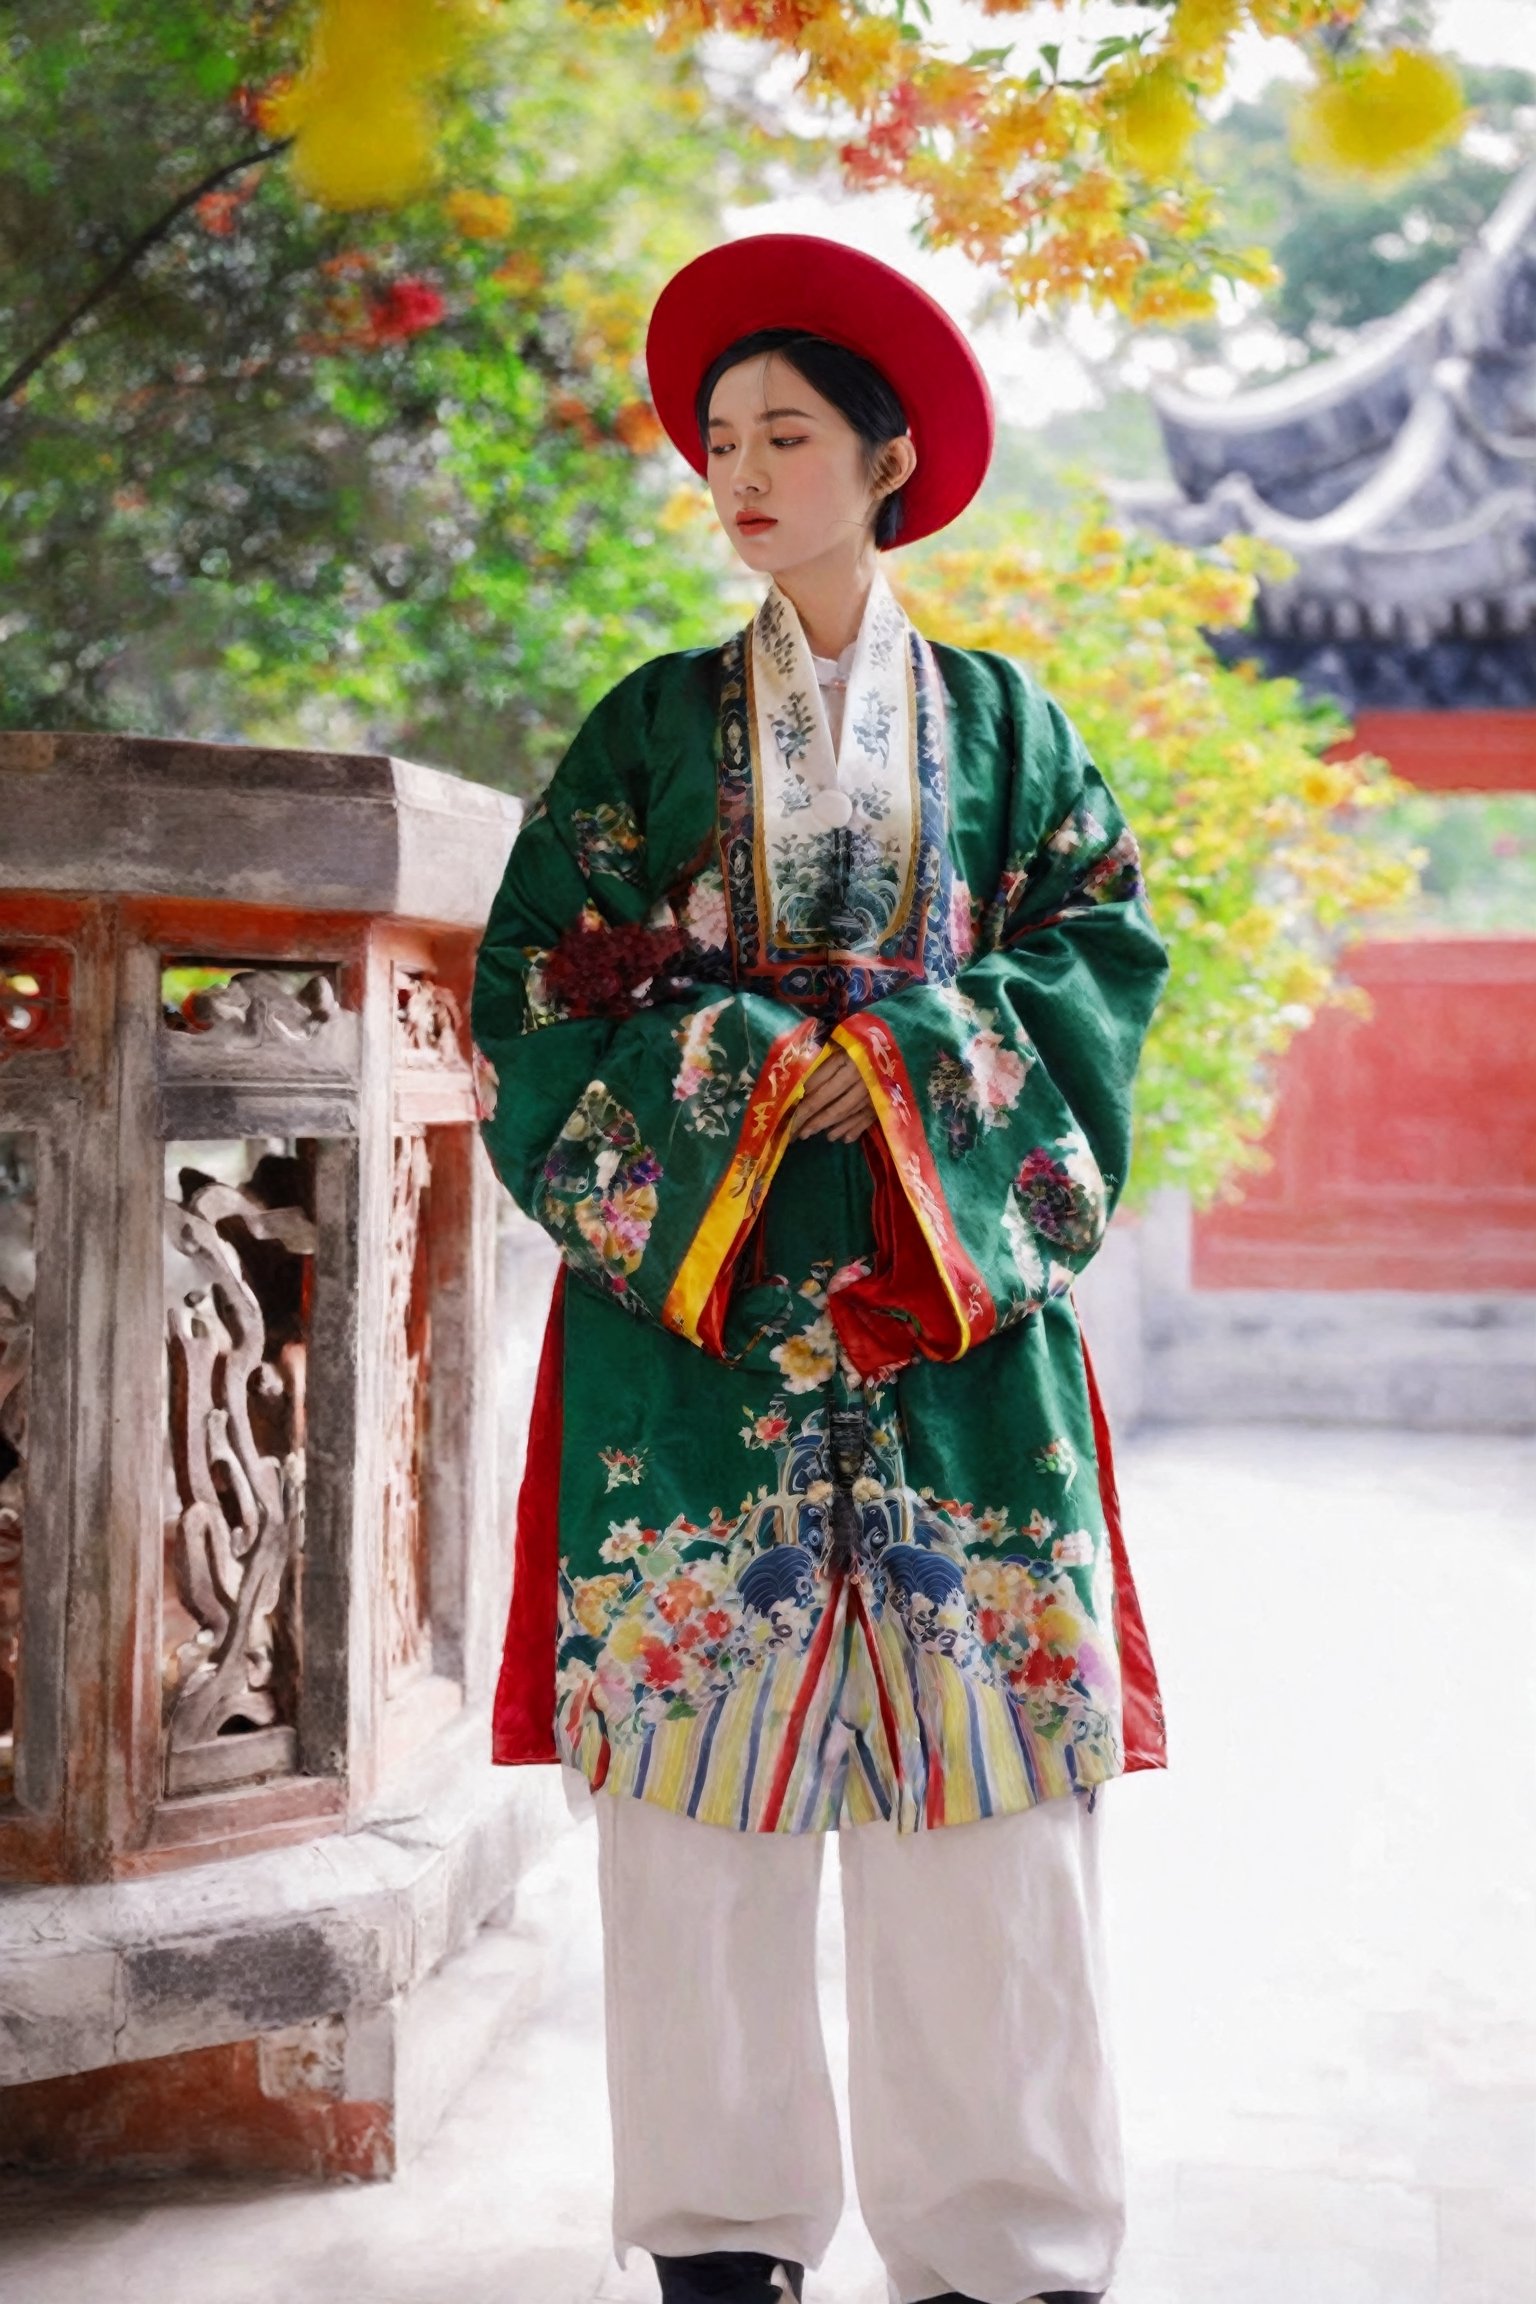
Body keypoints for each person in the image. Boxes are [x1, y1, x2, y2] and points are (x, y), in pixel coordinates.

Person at [471, 234, 1169, 2304]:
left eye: (787, 434)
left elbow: (1102, 962)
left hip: (951, 1328)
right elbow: (528, 990)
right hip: (703, 1336)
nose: (743, 471)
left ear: (888, 461)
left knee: (989, 1813)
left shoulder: (1016, 729)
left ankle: (1007, 2244)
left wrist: (916, 1064)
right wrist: (754, 1079)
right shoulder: (645, 732)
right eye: (719, 442)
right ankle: (720, 2239)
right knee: (697, 1802)